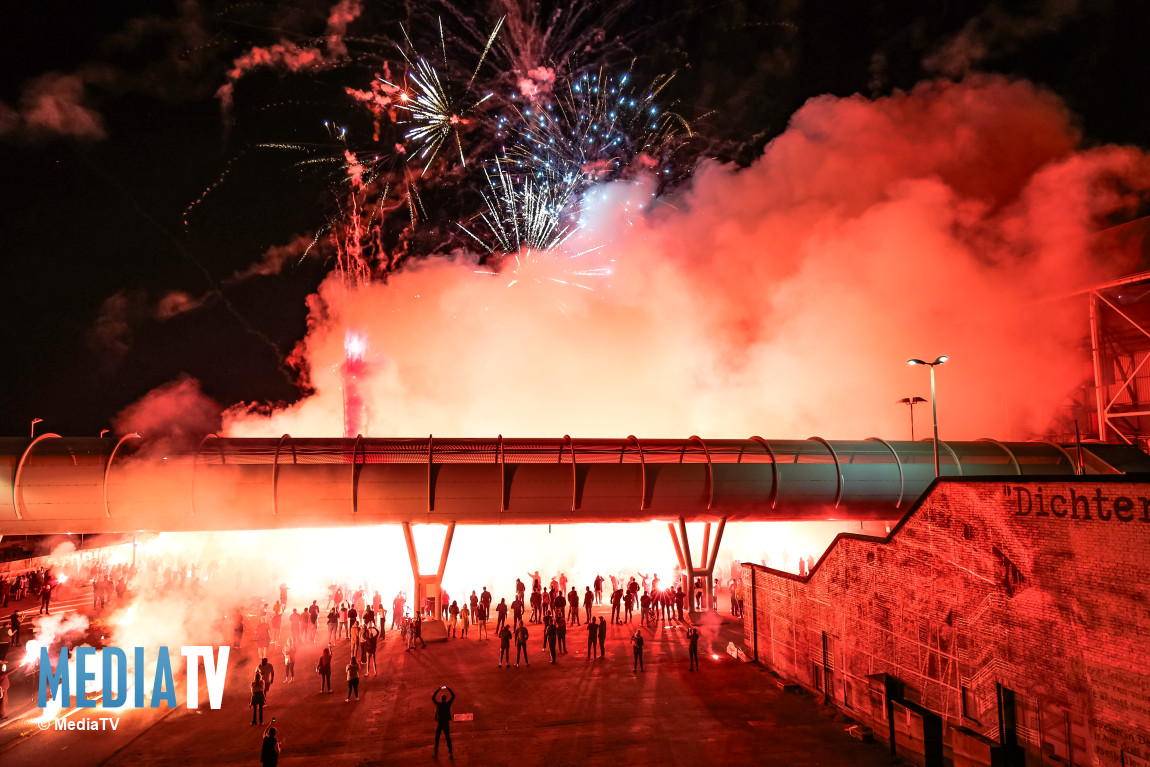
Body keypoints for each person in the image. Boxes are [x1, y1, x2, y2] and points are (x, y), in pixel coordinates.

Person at [432, 686, 455, 759]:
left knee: (437, 739)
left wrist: (438, 689)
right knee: (448, 738)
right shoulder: (448, 704)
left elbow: (433, 698)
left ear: (441, 699)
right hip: (446, 724)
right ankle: (450, 753)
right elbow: (453, 696)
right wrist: (448, 688)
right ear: (445, 699)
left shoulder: (438, 705)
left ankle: (436, 753)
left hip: (440, 723)